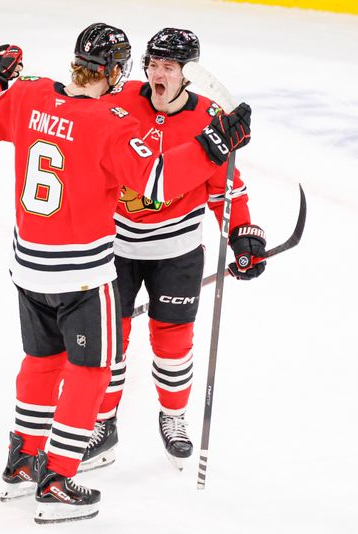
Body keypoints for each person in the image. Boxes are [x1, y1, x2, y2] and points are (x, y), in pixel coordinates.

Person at [0, 23, 252, 523]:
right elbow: (158, 182)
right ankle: (56, 478)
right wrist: (214, 146)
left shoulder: (28, 95)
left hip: (29, 269)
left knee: (41, 360)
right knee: (92, 371)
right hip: (83, 275)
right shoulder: (109, 121)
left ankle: (21, 461)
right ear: (119, 71)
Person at [79, 28, 267, 473]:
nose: (158, 75)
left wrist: (243, 234)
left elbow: (225, 191)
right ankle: (102, 425)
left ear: (189, 74)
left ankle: (174, 417)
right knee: (111, 344)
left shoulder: (209, 120)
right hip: (116, 248)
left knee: (173, 343)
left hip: (178, 253)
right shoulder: (119, 100)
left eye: (170, 67)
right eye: (154, 64)